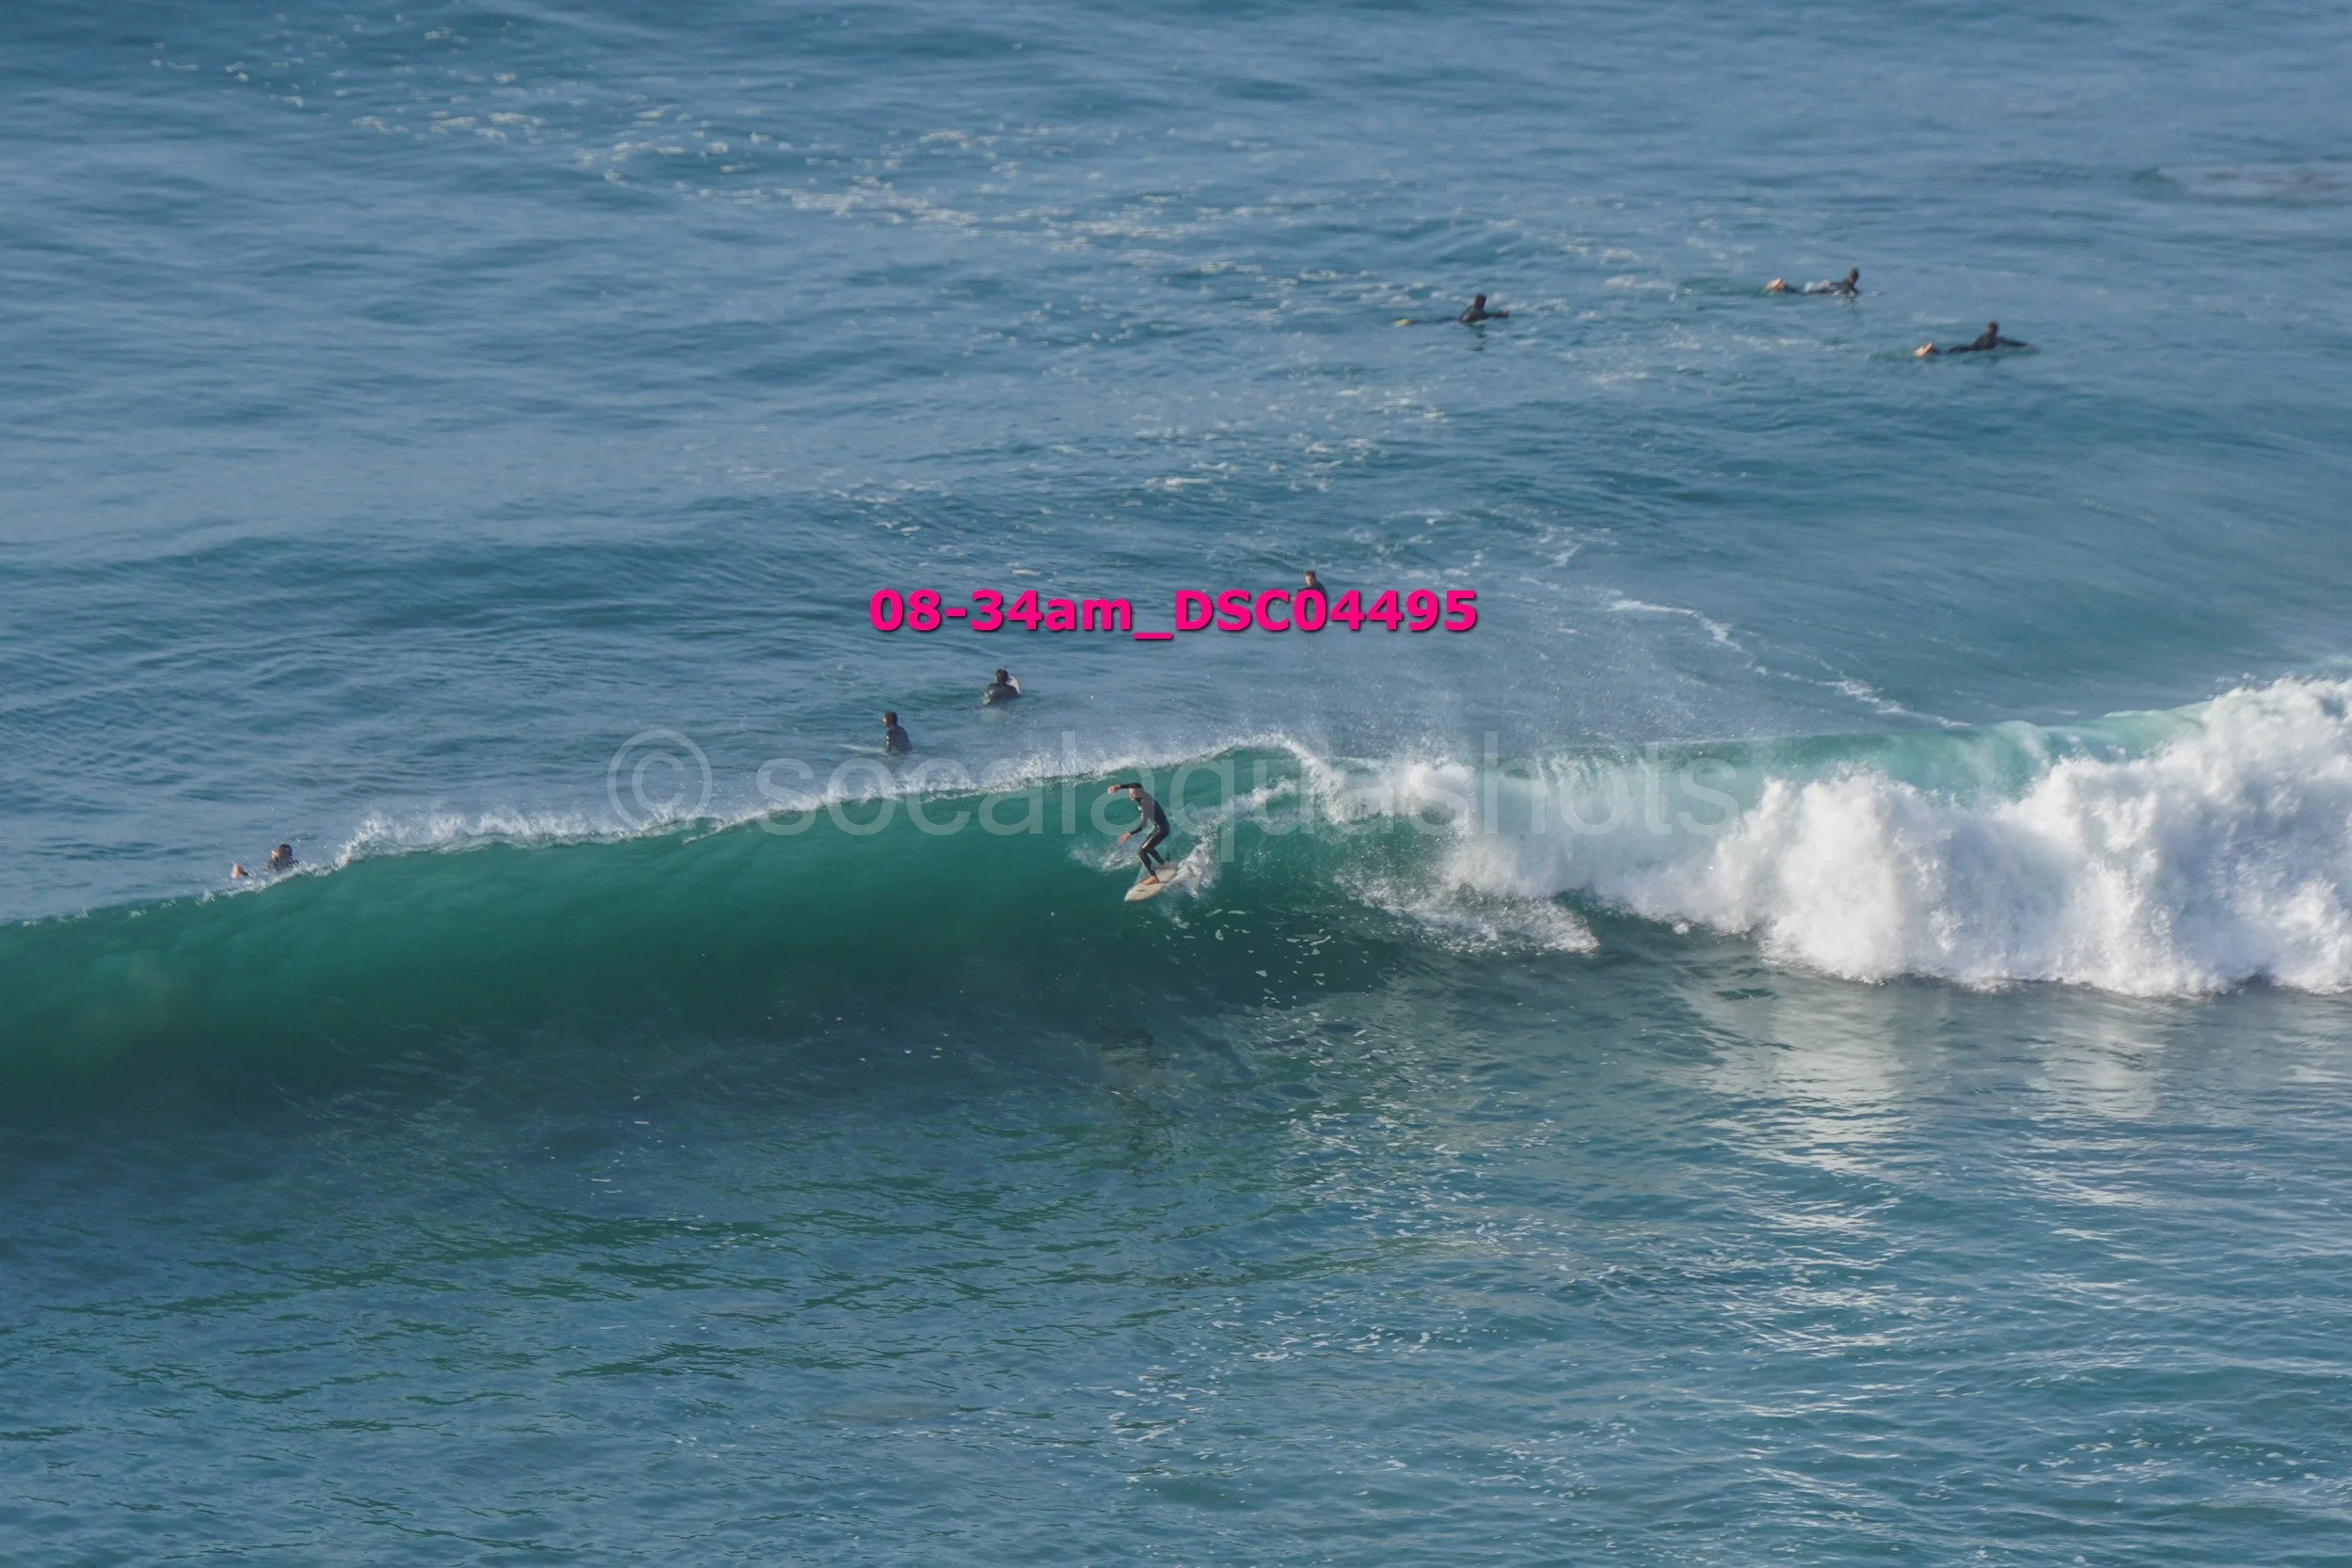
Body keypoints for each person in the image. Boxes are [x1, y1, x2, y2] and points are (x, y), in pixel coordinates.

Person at [1107, 781, 1170, 879]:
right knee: (1148, 847)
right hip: (1161, 826)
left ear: (1140, 793)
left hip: (1161, 829)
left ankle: (1153, 877)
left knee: (1142, 852)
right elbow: (1132, 785)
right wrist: (1119, 787)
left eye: (1133, 794)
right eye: (1130, 793)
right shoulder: (1143, 794)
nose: (1131, 796)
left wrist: (1128, 834)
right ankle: (1163, 865)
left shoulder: (1145, 805)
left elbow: (1143, 826)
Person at [1916, 321, 2029, 357]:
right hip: (1971, 351)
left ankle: (1932, 349)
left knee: (1947, 352)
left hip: (1966, 346)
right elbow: (2011, 343)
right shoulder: (1997, 339)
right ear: (1996, 330)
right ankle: (1931, 350)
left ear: (1988, 329)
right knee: (1947, 355)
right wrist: (2025, 345)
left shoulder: (1983, 335)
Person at [1766, 267, 1859, 296]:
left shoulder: (1843, 282)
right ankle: (1783, 286)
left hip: (1823, 288)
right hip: (1823, 292)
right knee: (1802, 293)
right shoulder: (1849, 288)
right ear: (1856, 279)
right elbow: (1848, 291)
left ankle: (1782, 286)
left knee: (1802, 291)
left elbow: (1829, 282)